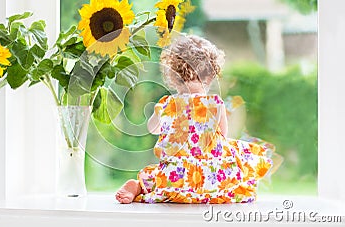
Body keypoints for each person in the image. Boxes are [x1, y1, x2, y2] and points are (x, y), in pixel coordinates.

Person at [115, 35, 274, 204]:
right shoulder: (216, 104)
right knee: (234, 174)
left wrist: (157, 114)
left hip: (176, 176)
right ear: (210, 76)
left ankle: (138, 186)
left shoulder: (168, 104)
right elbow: (222, 138)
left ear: (173, 77)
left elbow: (152, 129)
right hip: (210, 176)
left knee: (161, 179)